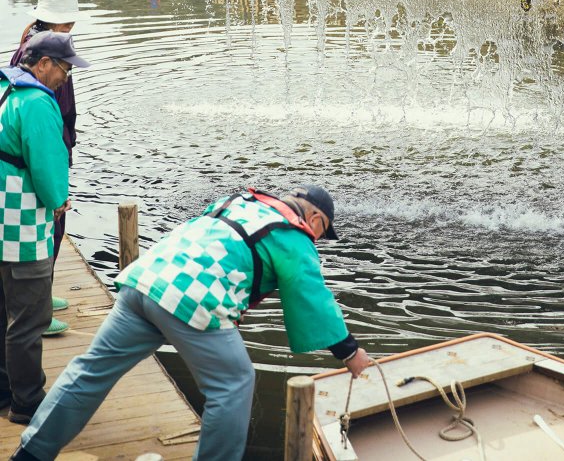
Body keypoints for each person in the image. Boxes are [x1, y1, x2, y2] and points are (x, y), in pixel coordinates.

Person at [12, 184, 370, 461]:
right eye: (323, 232)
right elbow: (313, 298)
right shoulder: (293, 234)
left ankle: (30, 453)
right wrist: (350, 352)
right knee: (234, 383)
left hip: (145, 280)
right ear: (316, 219)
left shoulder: (241, 201)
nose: (317, 239)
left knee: (92, 370)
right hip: (190, 299)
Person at [0, 31, 90, 426]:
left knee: (2, 313)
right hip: (19, 227)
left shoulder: (5, 89)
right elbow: (48, 167)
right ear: (43, 64)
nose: (66, 78)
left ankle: (4, 391)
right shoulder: (37, 102)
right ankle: (28, 401)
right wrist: (58, 201)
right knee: (29, 318)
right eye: (65, 69)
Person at [9, 0, 79, 338]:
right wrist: (57, 194)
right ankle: (37, 309)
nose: (66, 73)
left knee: (49, 229)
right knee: (50, 225)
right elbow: (52, 116)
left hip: (44, 146)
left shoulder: (33, 42)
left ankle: (41, 296)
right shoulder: (45, 57)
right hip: (45, 148)